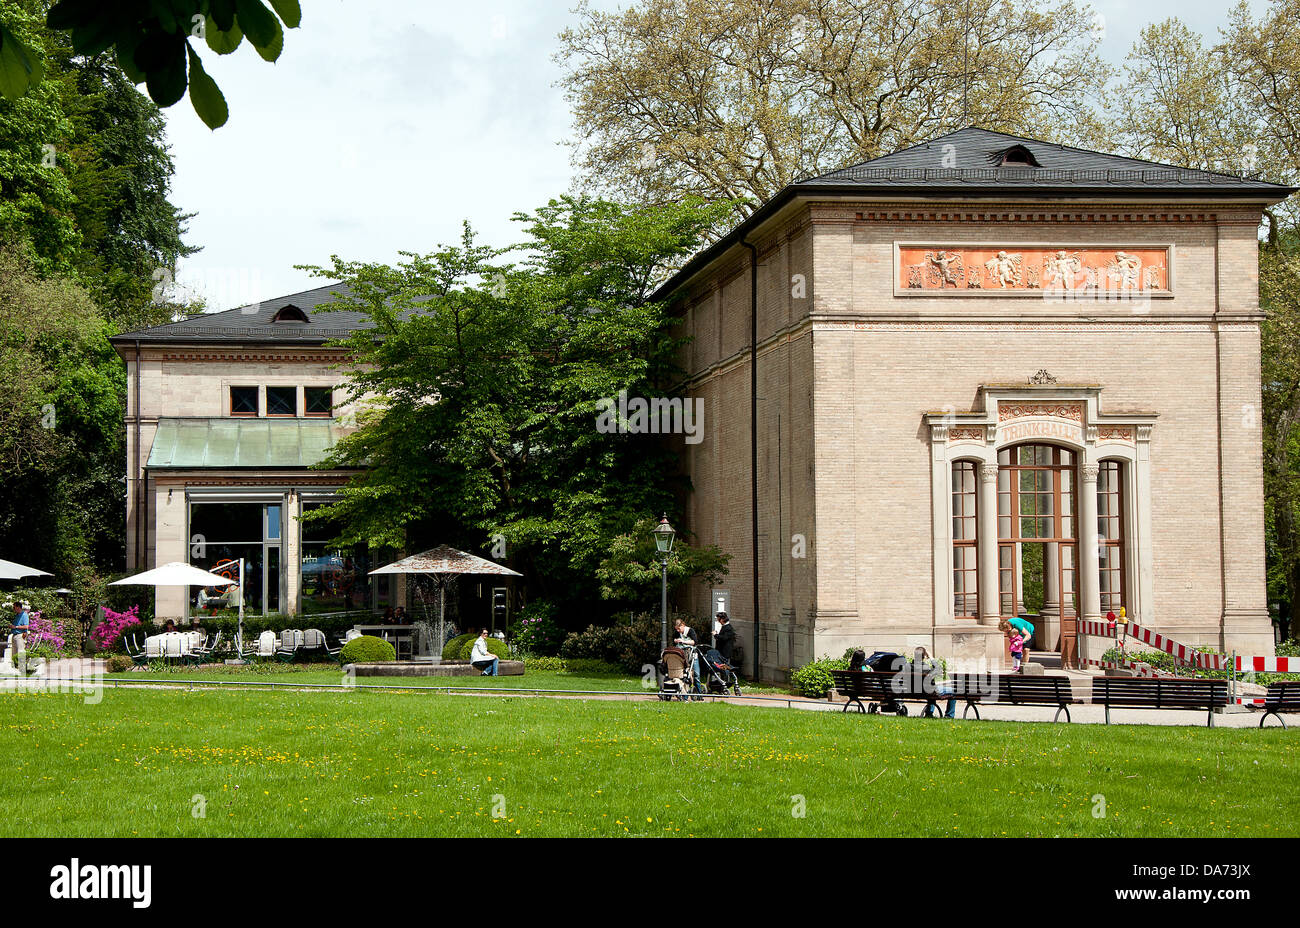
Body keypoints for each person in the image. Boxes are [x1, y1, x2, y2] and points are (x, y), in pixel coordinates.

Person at [914, 647, 957, 719]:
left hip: (914, 691)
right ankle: (949, 715)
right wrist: (931, 657)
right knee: (953, 691)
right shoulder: (926, 668)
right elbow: (938, 669)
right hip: (929, 691)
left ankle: (929, 713)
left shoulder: (907, 667)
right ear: (924, 656)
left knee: (930, 689)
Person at [673, 617, 702, 692]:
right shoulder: (677, 632)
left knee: (696, 674)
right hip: (682, 655)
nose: (678, 631)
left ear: (683, 625)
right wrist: (676, 640)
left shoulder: (690, 631)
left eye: (679, 629)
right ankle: (684, 690)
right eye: (676, 629)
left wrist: (683, 641)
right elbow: (674, 639)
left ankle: (699, 692)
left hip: (692, 654)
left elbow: (694, 642)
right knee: (683, 674)